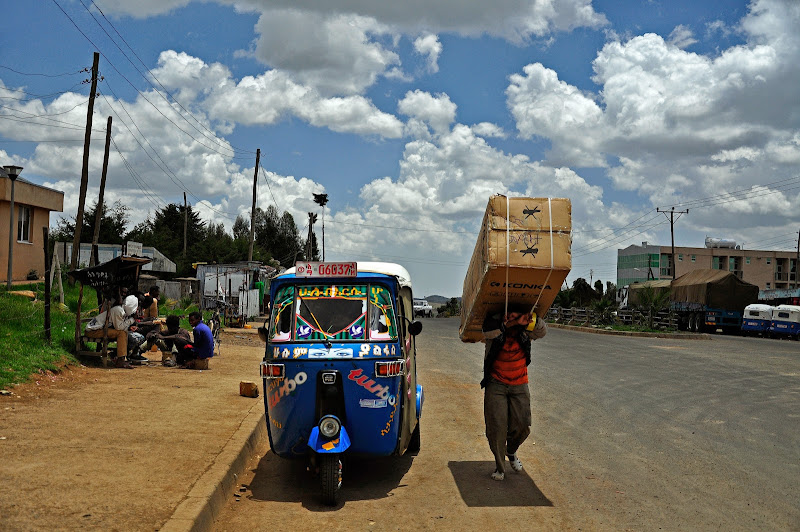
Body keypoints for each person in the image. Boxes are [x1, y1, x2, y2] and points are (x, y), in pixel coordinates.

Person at [481, 305, 547, 481]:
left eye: (514, 312)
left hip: (519, 383)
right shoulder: (494, 320)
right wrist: (510, 321)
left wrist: (523, 320)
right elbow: (488, 332)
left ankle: (511, 450)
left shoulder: (526, 324)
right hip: (496, 382)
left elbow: (542, 331)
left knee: (523, 425)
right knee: (497, 427)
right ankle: (500, 468)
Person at [85, 297, 137, 369]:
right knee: (121, 333)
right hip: (93, 331)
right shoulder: (118, 311)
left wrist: (129, 325)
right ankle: (120, 360)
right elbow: (119, 328)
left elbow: (119, 326)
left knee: (124, 332)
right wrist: (132, 319)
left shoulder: (122, 311)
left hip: (100, 329)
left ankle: (121, 358)